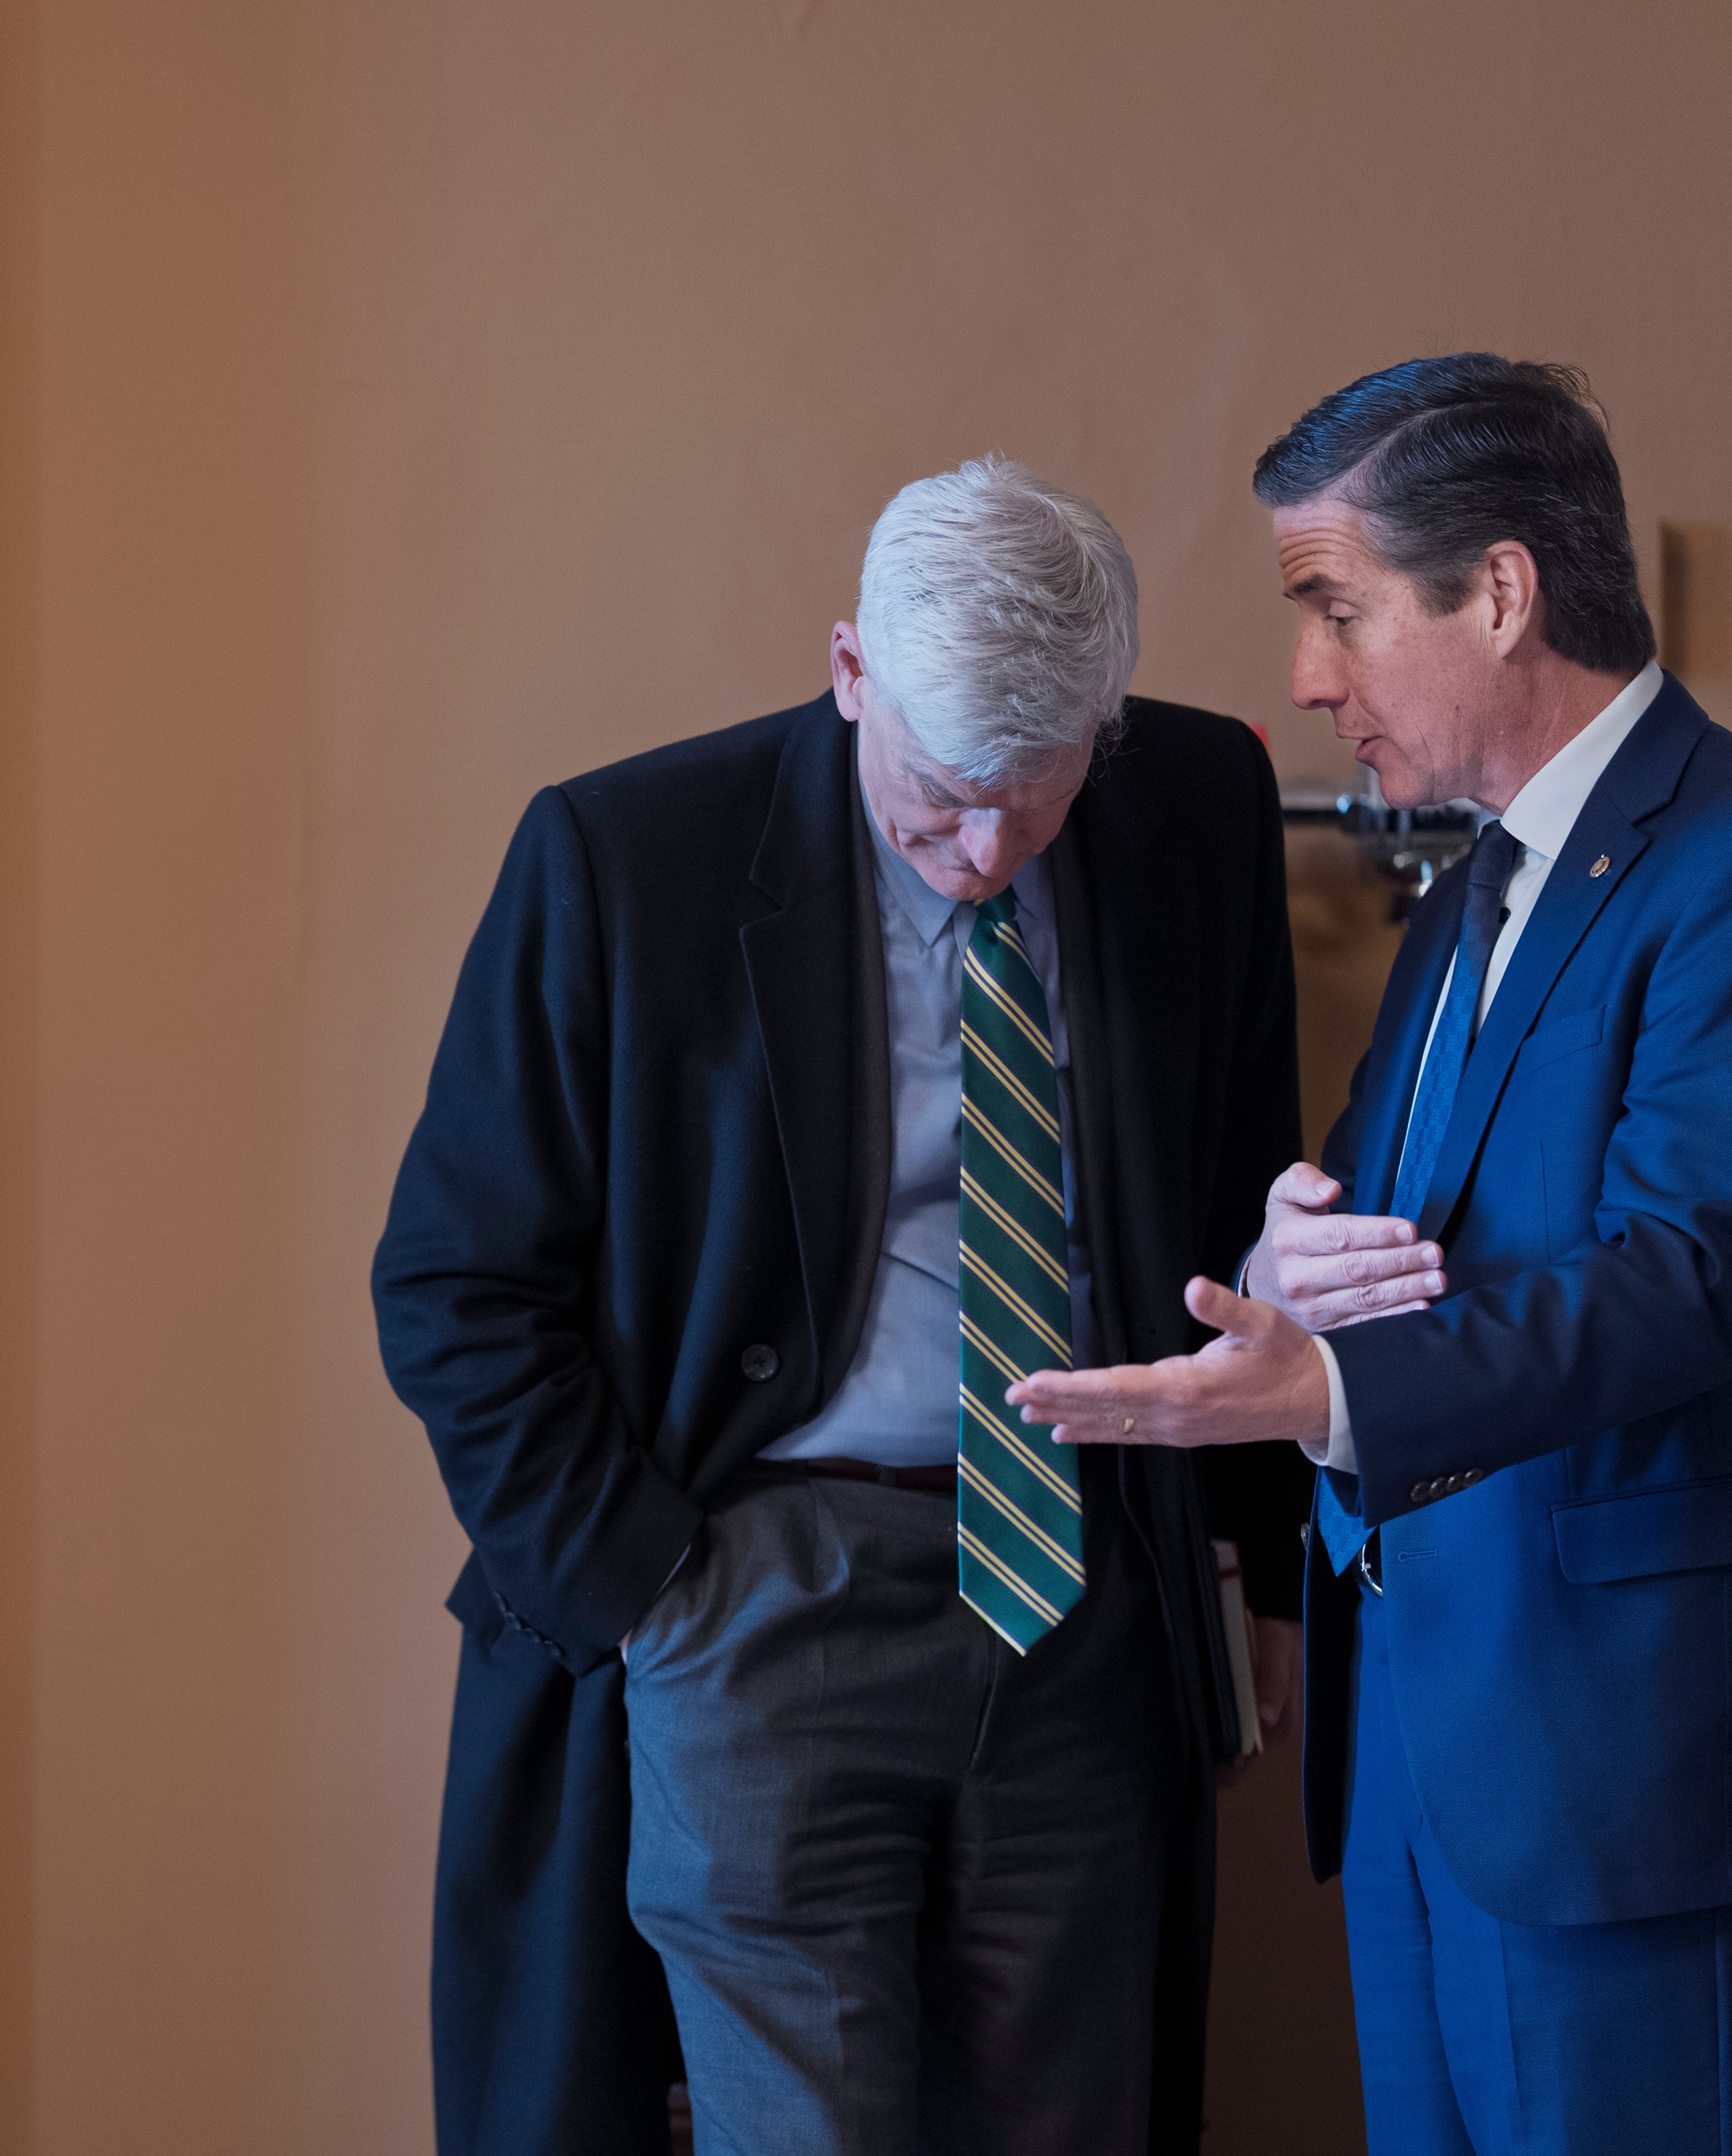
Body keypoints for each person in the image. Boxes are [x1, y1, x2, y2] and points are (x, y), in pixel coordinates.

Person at [1010, 356, 1732, 2155]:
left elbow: (1687, 1274)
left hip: (1630, 1772)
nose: (1305, 674)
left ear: (1498, 591)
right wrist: (1293, 1251)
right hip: (1427, 1745)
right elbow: (1401, 1237)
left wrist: (1329, 1384)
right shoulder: (1466, 898)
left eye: (1332, 606)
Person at [375, 457, 1311, 2156]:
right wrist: (650, 1586)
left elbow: (1248, 1195)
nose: (978, 850)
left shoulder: (1196, 801)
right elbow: (454, 1276)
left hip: (1086, 1580)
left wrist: (1254, 1565)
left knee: (1077, 2114)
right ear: (848, 672)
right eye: (939, 795)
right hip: (759, 1587)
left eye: (1033, 803)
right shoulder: (622, 855)